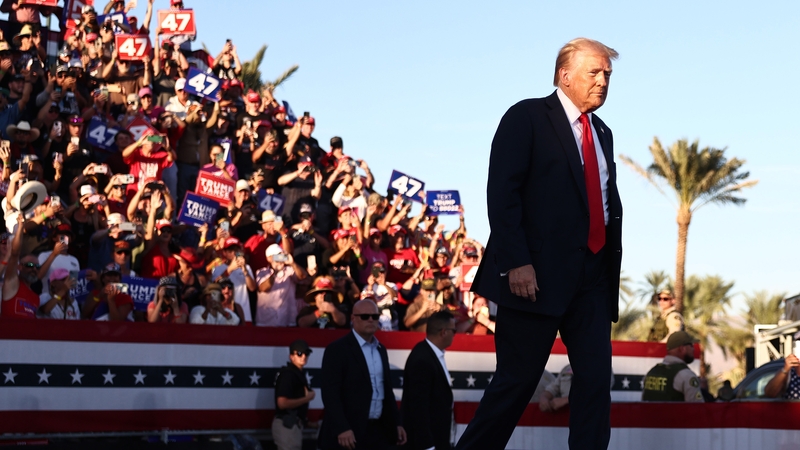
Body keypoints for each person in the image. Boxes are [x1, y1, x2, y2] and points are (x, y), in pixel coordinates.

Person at [458, 38, 623, 450]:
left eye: (608, 75)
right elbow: (503, 192)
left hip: (593, 279)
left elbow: (603, 203)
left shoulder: (602, 132)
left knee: (595, 382)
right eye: (594, 72)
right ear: (565, 75)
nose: (603, 81)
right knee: (516, 383)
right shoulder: (527, 116)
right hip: (533, 277)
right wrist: (516, 261)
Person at [318, 299, 406, 450]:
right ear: (353, 319)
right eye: (365, 316)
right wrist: (341, 427)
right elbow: (330, 393)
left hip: (378, 430)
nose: (371, 320)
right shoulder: (337, 349)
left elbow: (386, 391)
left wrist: (396, 423)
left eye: (375, 316)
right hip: (349, 433)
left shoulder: (381, 350)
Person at [401, 310, 455, 450]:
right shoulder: (422, 360)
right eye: (453, 331)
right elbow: (418, 408)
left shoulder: (430, 354)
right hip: (426, 443)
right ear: (443, 332)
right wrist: (427, 445)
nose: (454, 335)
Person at [272, 339, 315, 450]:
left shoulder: (297, 374)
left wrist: (307, 422)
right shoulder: (288, 375)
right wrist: (307, 398)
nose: (304, 356)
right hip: (287, 424)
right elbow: (282, 403)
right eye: (299, 353)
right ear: (291, 356)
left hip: (293, 425)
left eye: (306, 353)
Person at [641, 331, 704, 402]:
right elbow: (697, 409)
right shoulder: (686, 375)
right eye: (691, 345)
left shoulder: (651, 372)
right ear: (682, 349)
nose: (694, 349)